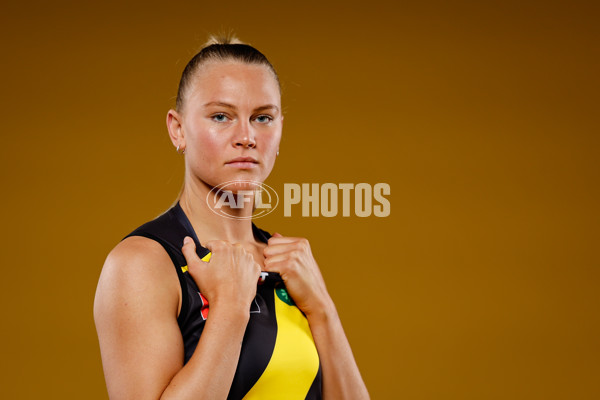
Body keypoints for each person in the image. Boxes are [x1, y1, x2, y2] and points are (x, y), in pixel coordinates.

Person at [94, 35, 370, 400]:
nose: (246, 136)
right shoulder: (142, 264)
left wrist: (322, 309)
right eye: (221, 116)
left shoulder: (288, 262)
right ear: (178, 129)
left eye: (263, 118)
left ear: (280, 129)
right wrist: (229, 309)